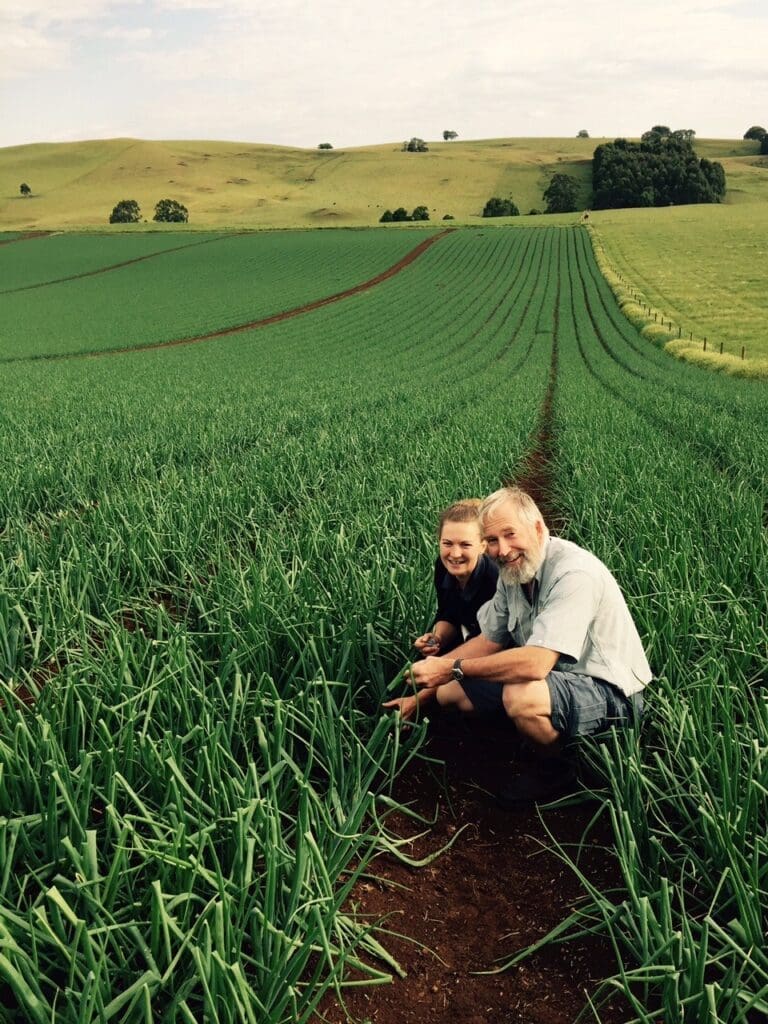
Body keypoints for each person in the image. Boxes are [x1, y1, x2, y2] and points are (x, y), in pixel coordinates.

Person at [409, 486, 652, 806]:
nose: (503, 549)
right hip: (555, 681)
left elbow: (536, 664)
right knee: (451, 693)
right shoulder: (513, 573)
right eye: (492, 540)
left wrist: (450, 666)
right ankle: (531, 733)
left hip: (609, 691)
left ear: (538, 528)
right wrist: (420, 694)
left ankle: (557, 768)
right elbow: (489, 641)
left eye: (510, 534)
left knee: (521, 694)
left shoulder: (574, 573)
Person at [383, 499, 498, 721]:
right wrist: (437, 638)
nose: (454, 554)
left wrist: (419, 699)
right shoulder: (443, 566)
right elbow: (448, 613)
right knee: (425, 657)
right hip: (475, 640)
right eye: (447, 543)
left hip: (498, 652)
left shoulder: (494, 580)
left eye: (465, 544)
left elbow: (490, 644)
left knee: (446, 694)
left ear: (483, 545)